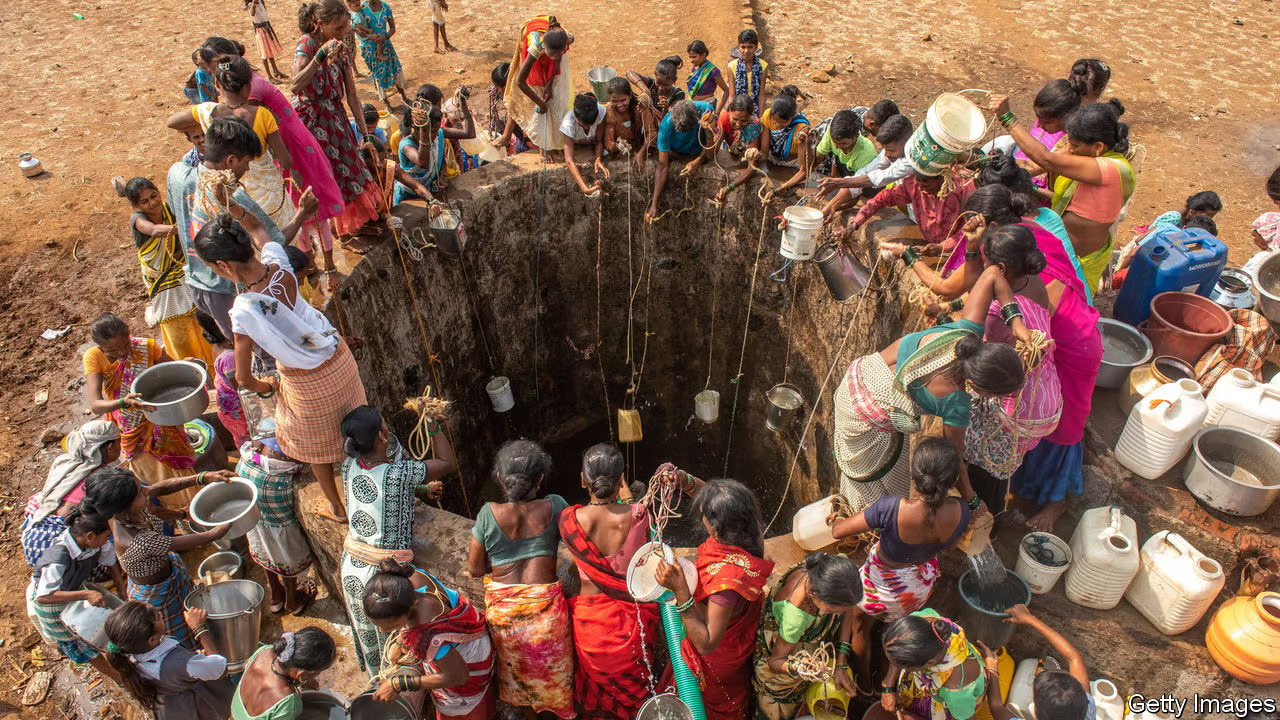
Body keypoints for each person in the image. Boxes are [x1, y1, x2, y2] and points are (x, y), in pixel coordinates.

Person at [912, 183, 1099, 531]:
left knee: (983, 461)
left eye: (984, 262)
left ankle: (983, 516)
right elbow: (982, 301)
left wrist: (941, 319)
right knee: (1007, 458)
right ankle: (995, 506)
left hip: (1021, 407)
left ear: (998, 268)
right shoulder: (1035, 284)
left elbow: (969, 344)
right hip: (1045, 395)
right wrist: (951, 307)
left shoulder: (998, 316)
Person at [192, 212, 363, 522]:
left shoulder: (243, 309)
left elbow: (243, 378)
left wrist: (267, 387)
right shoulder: (279, 262)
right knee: (354, 419)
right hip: (338, 358)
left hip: (307, 380)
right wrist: (231, 202)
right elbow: (258, 226)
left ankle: (337, 508)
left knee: (309, 443)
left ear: (223, 266)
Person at [833, 263, 1028, 509]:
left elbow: (991, 274)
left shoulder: (967, 331)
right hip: (863, 418)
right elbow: (954, 459)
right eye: (997, 394)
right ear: (979, 387)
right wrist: (973, 500)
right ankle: (865, 518)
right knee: (873, 479)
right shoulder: (957, 404)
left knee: (891, 457)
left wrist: (1016, 321)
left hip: (855, 375)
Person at [200, 36, 346, 278]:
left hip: (258, 176)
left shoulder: (213, 112)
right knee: (296, 223)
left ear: (218, 83)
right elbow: (283, 159)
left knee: (280, 229)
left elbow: (177, 120)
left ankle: (308, 268)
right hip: (274, 172)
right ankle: (313, 268)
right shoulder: (255, 111)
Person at [830, 439, 969, 679]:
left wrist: (836, 519)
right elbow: (952, 545)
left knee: (860, 628)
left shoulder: (891, 508)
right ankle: (889, 681)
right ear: (952, 480)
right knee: (905, 636)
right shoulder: (960, 511)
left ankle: (864, 680)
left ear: (912, 475)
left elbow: (838, 533)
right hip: (918, 585)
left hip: (881, 586)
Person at [338, 405, 455, 674]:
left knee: (369, 635)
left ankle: (376, 686)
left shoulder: (349, 466)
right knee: (394, 642)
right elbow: (447, 463)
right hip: (382, 576)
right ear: (381, 435)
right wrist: (434, 425)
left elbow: (383, 493)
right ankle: (397, 690)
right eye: (384, 425)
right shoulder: (398, 474)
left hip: (351, 567)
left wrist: (422, 489)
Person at [466, 440, 574, 719]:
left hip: (506, 617)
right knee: (554, 677)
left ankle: (527, 712)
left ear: (500, 479)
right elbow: (580, 545)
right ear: (540, 479)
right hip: (547, 617)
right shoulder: (556, 505)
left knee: (520, 679)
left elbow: (475, 569)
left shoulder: (488, 515)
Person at [167, 114, 296, 340]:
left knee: (232, 344)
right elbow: (273, 242)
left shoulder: (176, 174)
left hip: (197, 284)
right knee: (260, 348)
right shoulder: (234, 198)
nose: (246, 169)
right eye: (247, 162)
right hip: (228, 291)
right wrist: (303, 213)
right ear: (231, 162)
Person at [655, 478, 775, 720]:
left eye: (705, 516)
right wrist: (683, 479)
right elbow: (710, 498)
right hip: (734, 629)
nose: (702, 518)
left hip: (717, 655)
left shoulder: (726, 583)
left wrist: (681, 591)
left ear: (716, 528)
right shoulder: (749, 533)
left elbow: (706, 642)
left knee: (716, 701)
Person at [990, 95, 1136, 294]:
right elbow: (1035, 166)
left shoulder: (1113, 169)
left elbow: (1046, 159)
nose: (1071, 150)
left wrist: (1007, 118)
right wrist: (986, 164)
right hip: (1059, 250)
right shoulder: (1083, 153)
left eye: (1075, 146)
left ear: (1098, 148)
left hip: (1081, 260)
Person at [557, 443, 657, 720]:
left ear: (582, 479)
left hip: (591, 629)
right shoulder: (639, 514)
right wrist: (627, 500)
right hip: (632, 625)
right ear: (621, 480)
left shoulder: (569, 519)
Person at [85, 467, 233, 647]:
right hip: (159, 595)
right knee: (182, 634)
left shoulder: (132, 507)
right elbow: (205, 538)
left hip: (170, 572)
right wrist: (227, 522)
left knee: (194, 611)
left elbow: (161, 487)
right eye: (140, 492)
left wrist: (202, 477)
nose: (146, 492)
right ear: (125, 506)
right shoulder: (136, 539)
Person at [171, 57, 298, 233]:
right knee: (280, 238)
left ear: (216, 83)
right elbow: (286, 162)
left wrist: (202, 127)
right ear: (248, 87)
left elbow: (172, 122)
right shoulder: (262, 115)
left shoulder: (207, 111)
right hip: (267, 194)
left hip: (226, 193)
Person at [293, 0, 383, 236]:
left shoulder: (341, 49)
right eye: (339, 28)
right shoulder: (308, 45)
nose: (344, 33)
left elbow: (352, 95)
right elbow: (296, 85)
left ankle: (355, 225)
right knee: (327, 176)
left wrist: (366, 135)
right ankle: (339, 232)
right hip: (312, 124)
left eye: (346, 27)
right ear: (320, 24)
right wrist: (320, 56)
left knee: (353, 169)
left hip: (336, 120)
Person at [363, 560, 496, 720]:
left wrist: (399, 683)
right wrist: (399, 640)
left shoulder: (423, 636)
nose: (382, 631)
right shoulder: (411, 579)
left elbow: (459, 676)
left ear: (412, 608)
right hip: (478, 638)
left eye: (392, 625)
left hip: (470, 663)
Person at [82, 313, 196, 490]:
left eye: (125, 345)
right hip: (129, 422)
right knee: (147, 467)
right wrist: (124, 403)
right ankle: (159, 498)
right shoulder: (94, 357)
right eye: (112, 351)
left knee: (174, 456)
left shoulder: (145, 347)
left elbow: (172, 371)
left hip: (158, 413)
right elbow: (96, 405)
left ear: (130, 336)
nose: (121, 353)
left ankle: (188, 492)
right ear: (100, 347)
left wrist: (186, 365)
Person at [754, 552, 863, 720]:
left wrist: (841, 663)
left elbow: (848, 609)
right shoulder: (797, 616)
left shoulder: (832, 570)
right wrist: (800, 667)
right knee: (775, 711)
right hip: (780, 664)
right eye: (835, 611)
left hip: (798, 642)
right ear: (815, 595)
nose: (841, 614)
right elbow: (775, 662)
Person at [123, 177, 216, 369]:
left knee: (199, 315)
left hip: (182, 270)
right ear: (136, 206)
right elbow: (155, 231)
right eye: (145, 201)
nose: (152, 203)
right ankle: (186, 367)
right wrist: (184, 228)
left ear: (158, 191)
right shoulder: (138, 220)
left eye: (153, 196)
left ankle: (212, 364)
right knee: (177, 327)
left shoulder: (169, 209)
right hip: (162, 281)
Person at [30, 508, 125, 680]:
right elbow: (44, 595)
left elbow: (110, 561)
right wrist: (85, 595)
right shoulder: (58, 556)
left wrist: (121, 587)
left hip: (75, 588)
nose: (107, 540)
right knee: (81, 646)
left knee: (102, 626)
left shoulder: (93, 544)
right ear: (90, 536)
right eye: (105, 536)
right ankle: (118, 678)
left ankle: (118, 655)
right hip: (53, 605)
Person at [104, 601, 234, 720]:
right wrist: (199, 629)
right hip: (199, 708)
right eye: (157, 617)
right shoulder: (179, 663)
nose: (160, 613)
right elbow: (220, 667)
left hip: (172, 711)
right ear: (152, 640)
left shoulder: (130, 657)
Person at [21, 421, 120, 571]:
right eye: (119, 444)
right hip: (63, 551)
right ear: (110, 447)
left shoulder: (64, 460)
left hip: (37, 532)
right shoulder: (103, 479)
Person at [240, 438, 316, 614]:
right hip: (281, 531)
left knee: (265, 554)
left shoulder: (246, 463)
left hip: (255, 525)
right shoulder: (282, 478)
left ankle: (275, 594)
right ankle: (292, 601)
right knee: (285, 562)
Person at [977, 605, 1093, 720]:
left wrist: (992, 669)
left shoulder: (1086, 704)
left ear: (1035, 709)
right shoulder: (1088, 710)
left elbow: (997, 708)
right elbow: (1074, 658)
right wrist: (1030, 618)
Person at [869, 610, 985, 720]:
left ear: (929, 664)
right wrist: (888, 685)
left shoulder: (956, 692)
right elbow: (897, 648)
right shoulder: (925, 625)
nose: (895, 666)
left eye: (901, 666)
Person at [846, 171, 975, 256]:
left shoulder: (962, 189)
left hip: (961, 252)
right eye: (918, 184)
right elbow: (883, 198)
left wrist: (942, 247)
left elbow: (971, 229)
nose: (921, 189)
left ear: (941, 178)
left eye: (926, 184)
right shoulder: (914, 185)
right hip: (931, 245)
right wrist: (856, 222)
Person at [985, 80, 1081, 191]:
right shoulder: (1060, 127)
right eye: (1038, 119)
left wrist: (1007, 118)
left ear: (1066, 118)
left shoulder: (1076, 143)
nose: (1039, 125)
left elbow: (1045, 161)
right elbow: (1030, 164)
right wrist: (984, 161)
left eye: (1046, 122)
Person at [819, 114, 916, 221]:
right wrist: (831, 206)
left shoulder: (912, 160)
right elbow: (865, 173)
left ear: (907, 143)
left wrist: (838, 183)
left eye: (891, 151)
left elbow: (880, 178)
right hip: (908, 202)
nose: (887, 155)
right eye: (885, 150)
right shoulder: (889, 153)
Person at [232, 627, 338, 720]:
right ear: (300, 674)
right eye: (316, 673)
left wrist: (298, 682)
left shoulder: (264, 651)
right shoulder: (288, 702)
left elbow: (245, 666)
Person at [505, 16, 574, 154]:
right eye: (551, 54)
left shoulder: (566, 39)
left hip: (554, 44)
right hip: (535, 49)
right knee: (538, 91)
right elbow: (520, 82)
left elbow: (557, 59)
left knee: (557, 95)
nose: (554, 57)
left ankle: (555, 142)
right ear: (544, 48)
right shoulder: (535, 47)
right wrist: (540, 104)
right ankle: (544, 144)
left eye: (558, 53)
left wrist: (549, 83)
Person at [645, 99, 715, 222]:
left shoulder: (706, 111)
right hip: (676, 152)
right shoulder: (666, 126)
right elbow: (662, 166)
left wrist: (697, 161)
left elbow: (711, 152)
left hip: (699, 151)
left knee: (708, 156)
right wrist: (654, 204)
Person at [397, 97, 475, 201]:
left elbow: (469, 134)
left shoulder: (439, 134)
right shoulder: (406, 145)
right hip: (409, 197)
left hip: (429, 191)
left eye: (437, 130)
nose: (436, 134)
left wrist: (463, 104)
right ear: (419, 128)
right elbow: (423, 163)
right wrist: (424, 131)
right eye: (432, 131)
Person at [195, 311, 249, 449]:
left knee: (242, 439)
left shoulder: (218, 345)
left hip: (228, 408)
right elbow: (243, 388)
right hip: (238, 411)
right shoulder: (229, 357)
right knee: (249, 441)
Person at [752, 86, 811, 201]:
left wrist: (778, 189)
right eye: (775, 121)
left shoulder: (801, 129)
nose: (778, 125)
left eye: (783, 123)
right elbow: (765, 151)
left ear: (792, 117)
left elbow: (803, 169)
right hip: (773, 156)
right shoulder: (768, 116)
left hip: (792, 163)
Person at [352, 0, 410, 108]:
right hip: (370, 48)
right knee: (378, 74)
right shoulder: (361, 7)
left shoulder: (385, 7)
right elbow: (355, 27)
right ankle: (387, 103)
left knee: (394, 69)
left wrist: (385, 37)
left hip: (386, 45)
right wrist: (370, 37)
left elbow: (393, 28)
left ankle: (404, 97)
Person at [813, 109, 878, 184]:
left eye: (843, 144)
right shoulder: (831, 133)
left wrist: (837, 184)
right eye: (834, 142)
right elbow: (816, 160)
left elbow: (857, 188)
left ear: (856, 136)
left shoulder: (867, 155)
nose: (836, 147)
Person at [599, 77, 650, 168]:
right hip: (622, 151)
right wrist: (617, 146)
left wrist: (641, 152)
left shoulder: (640, 107)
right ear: (609, 98)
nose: (619, 105)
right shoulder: (610, 111)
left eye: (623, 100)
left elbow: (651, 133)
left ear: (630, 95)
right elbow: (608, 141)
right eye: (614, 101)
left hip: (640, 145)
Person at [562, 92, 608, 196]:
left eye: (590, 125)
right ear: (576, 116)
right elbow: (569, 160)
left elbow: (599, 141)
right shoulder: (568, 123)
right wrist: (584, 188)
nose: (587, 128)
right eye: (582, 125)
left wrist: (598, 158)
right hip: (577, 145)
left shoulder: (601, 113)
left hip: (591, 143)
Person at [626, 56, 688, 125]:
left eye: (665, 84)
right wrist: (646, 90)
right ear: (655, 75)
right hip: (649, 125)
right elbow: (629, 73)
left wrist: (666, 108)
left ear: (674, 80)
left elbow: (670, 121)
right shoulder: (651, 84)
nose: (661, 87)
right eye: (658, 82)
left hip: (663, 129)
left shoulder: (678, 94)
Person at [487, 62, 532, 156]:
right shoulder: (528, 90)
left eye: (498, 89)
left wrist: (490, 144)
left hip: (529, 148)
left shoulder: (514, 105)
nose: (497, 92)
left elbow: (505, 139)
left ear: (504, 88)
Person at [712, 94, 764, 166]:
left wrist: (739, 177)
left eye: (743, 120)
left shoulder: (753, 127)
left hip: (747, 158)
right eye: (735, 119)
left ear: (750, 117)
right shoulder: (724, 118)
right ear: (730, 112)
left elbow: (752, 164)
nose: (738, 124)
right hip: (732, 153)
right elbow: (713, 151)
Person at [244, 0, 289, 82]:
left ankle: (275, 71)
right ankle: (269, 76)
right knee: (264, 54)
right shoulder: (251, 5)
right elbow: (252, 13)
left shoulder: (260, 2)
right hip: (261, 32)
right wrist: (254, 4)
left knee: (269, 51)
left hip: (266, 28)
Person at [726, 29, 767, 117]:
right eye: (743, 47)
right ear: (739, 47)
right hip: (738, 110)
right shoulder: (732, 66)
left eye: (750, 47)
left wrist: (760, 117)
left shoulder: (763, 66)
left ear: (755, 47)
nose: (746, 51)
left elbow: (761, 94)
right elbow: (732, 95)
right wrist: (732, 116)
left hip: (754, 110)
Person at [686, 40, 729, 114]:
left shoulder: (713, 71)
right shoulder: (694, 69)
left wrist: (717, 112)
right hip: (693, 106)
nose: (691, 60)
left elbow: (726, 91)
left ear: (703, 55)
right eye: (690, 57)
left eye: (694, 57)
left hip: (707, 107)